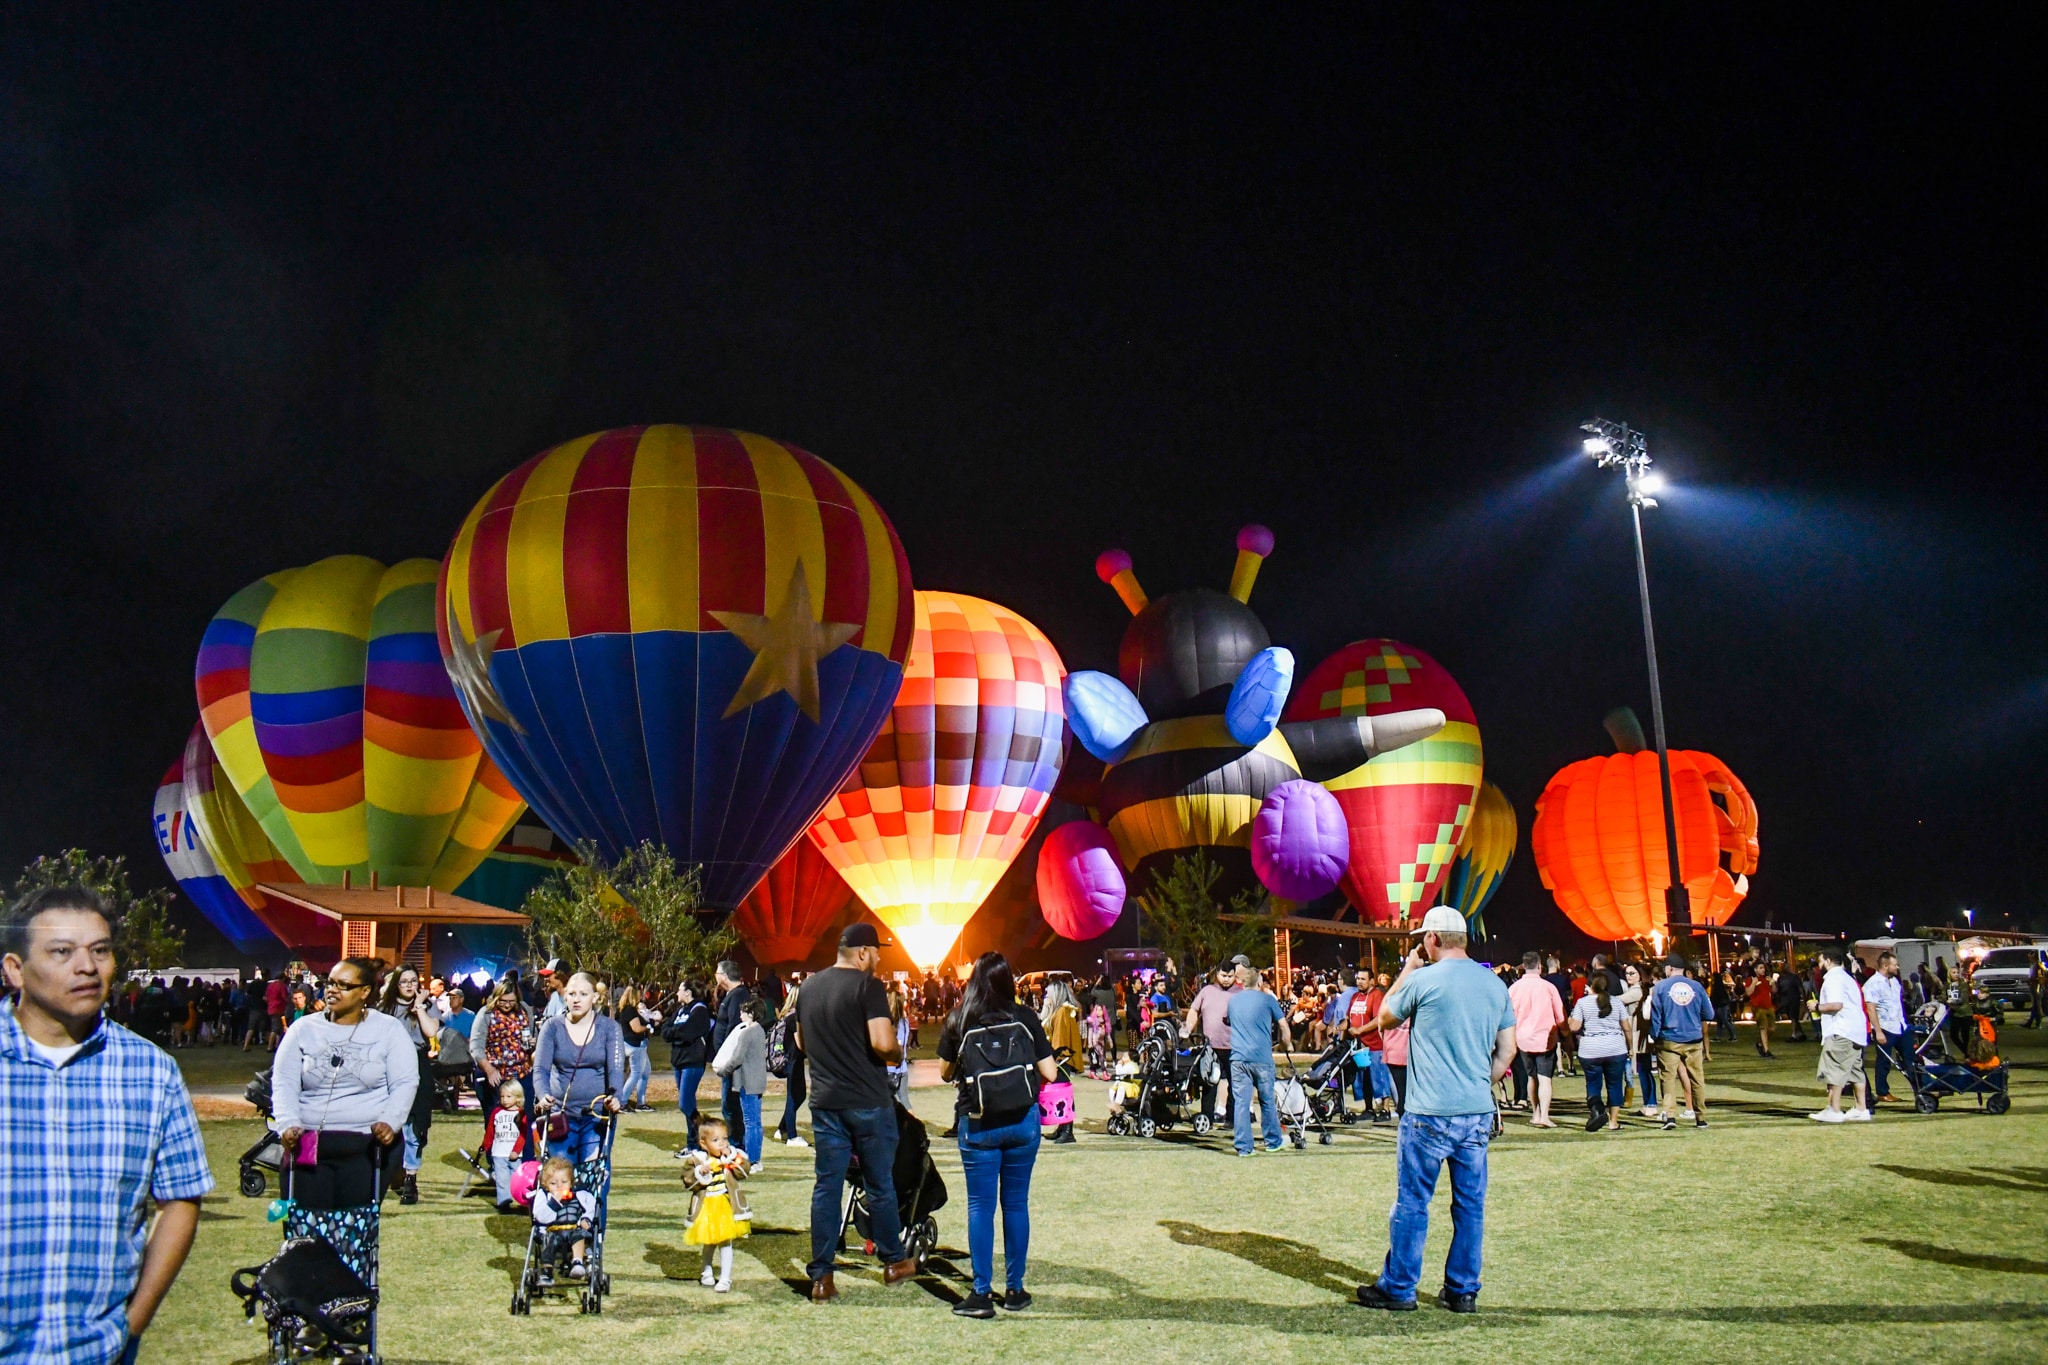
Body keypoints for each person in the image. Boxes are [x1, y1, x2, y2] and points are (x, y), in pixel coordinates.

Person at [0, 886, 211, 1364]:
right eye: (62, 952)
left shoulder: (150, 1072)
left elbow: (180, 1198)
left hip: (98, 1351)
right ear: (15, 970)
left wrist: (131, 1324)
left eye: (100, 951)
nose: (86, 967)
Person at [1356, 906, 1515, 1315]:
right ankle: (1462, 1290)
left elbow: (1383, 1018)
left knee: (1412, 1202)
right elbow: (1508, 1049)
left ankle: (1400, 1287)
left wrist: (1407, 970)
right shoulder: (1494, 984)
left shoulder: (1424, 980)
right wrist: (1481, 1084)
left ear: (1433, 940)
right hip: (1476, 1110)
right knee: (1469, 1205)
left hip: (1428, 1111)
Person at [793, 924, 918, 1301]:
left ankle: (822, 1277)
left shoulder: (808, 988)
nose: (879, 959)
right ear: (862, 952)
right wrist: (897, 1052)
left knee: (827, 1187)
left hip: (826, 1101)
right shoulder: (868, 987)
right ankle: (893, 1260)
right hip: (867, 1100)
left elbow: (800, 1041)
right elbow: (882, 1043)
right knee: (880, 1184)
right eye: (877, 952)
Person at [935, 951, 1059, 1318]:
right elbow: (1049, 1072)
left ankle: (981, 1292)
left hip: (978, 1124)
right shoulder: (1024, 1016)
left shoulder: (959, 1019)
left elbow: (944, 1072)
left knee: (980, 1207)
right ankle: (1016, 1288)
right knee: (1016, 1204)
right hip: (1022, 1122)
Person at [274, 956, 416, 1218]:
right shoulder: (302, 1029)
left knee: (354, 1229)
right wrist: (287, 1123)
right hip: (308, 1141)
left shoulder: (389, 1030)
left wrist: (390, 1121)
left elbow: (405, 1082)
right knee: (308, 1227)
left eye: (343, 985)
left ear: (365, 992)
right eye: (330, 983)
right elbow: (284, 1082)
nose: (332, 990)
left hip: (366, 1144)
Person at [533, 971, 625, 1163]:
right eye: (572, 994)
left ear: (594, 997)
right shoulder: (551, 1027)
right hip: (561, 1115)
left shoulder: (609, 1028)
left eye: (583, 994)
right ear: (565, 995)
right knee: (560, 1180)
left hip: (597, 1116)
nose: (577, 999)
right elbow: (540, 1069)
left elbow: (616, 1069)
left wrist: (616, 1098)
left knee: (593, 1177)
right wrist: (543, 1095)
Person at [377, 965, 439, 1205]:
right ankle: (387, 1171)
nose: (409, 986)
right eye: (404, 981)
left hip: (417, 1064)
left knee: (415, 1123)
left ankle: (410, 1178)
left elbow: (431, 1030)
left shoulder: (425, 1004)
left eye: (414, 981)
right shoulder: (385, 1008)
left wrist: (420, 1007)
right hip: (389, 1065)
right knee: (390, 1120)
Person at [1225, 962, 1292, 1156]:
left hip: (1238, 1057)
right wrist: (1286, 1045)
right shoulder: (1268, 1000)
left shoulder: (1233, 1001)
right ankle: (1272, 1140)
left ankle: (1244, 1147)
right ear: (1260, 982)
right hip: (1261, 1057)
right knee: (1267, 1101)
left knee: (1241, 1103)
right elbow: (1283, 1026)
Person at [682, 1117, 753, 1292]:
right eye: (715, 1140)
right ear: (703, 1143)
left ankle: (725, 1278)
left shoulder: (731, 1156)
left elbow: (744, 1171)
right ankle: (706, 1271)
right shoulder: (696, 1160)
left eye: (725, 1138)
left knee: (725, 1242)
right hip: (706, 1207)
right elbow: (687, 1180)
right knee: (709, 1242)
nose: (721, 1144)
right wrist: (700, 1172)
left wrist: (731, 1159)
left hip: (726, 1206)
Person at [1649, 954, 1713, 1130]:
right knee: (1697, 1078)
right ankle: (1701, 1117)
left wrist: (1654, 1035)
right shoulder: (1696, 986)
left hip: (1669, 1039)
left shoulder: (1661, 987)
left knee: (1667, 1078)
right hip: (1693, 1038)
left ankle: (1670, 1116)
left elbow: (1656, 1015)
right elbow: (1709, 1014)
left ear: (1669, 969)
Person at [1812, 946, 1873, 1123]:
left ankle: (1834, 1109)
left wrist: (1816, 1007)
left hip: (1841, 1029)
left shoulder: (1833, 978)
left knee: (1834, 1069)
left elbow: (1835, 1005)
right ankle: (1861, 1108)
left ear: (1828, 961)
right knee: (1855, 1070)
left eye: (1820, 961)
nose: (1819, 965)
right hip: (1856, 1030)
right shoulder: (1847, 978)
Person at [1507, 952, 1566, 1129]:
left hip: (1523, 1038)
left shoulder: (1514, 989)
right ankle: (1545, 1116)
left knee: (1532, 1077)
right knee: (1545, 1078)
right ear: (1540, 966)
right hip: (1545, 1038)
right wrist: (1566, 1033)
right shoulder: (1548, 987)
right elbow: (1560, 1014)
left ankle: (1536, 1113)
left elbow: (1508, 1015)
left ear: (1524, 966)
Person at [713, 996, 771, 1169]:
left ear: (752, 1013)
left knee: (750, 1122)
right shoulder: (759, 1030)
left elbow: (736, 1058)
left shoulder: (747, 1033)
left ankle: (753, 1160)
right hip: (757, 1081)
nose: (740, 1014)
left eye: (744, 1011)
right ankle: (755, 1158)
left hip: (747, 1082)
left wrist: (723, 1070)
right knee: (755, 1122)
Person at [1570, 971, 1629, 1130]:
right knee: (1615, 1084)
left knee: (1593, 1083)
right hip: (1615, 1048)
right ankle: (1613, 1121)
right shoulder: (1616, 1002)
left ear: (1590, 986)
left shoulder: (1583, 1003)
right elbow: (1626, 1028)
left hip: (1590, 1049)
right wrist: (1630, 1047)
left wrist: (1570, 1019)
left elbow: (1574, 1027)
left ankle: (1597, 1110)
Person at [1183, 964, 1240, 1129]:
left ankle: (1232, 1118)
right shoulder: (1207, 991)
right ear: (1217, 974)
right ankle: (1206, 1118)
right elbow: (1194, 1010)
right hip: (1210, 1046)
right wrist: (1188, 1029)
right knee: (1209, 1082)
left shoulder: (1240, 993)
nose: (1227, 979)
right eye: (1224, 975)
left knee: (1235, 1083)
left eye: (1230, 976)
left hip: (1233, 1046)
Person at [665, 979, 715, 1151]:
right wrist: (675, 1032)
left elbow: (688, 1033)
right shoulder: (680, 1010)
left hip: (692, 1062)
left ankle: (701, 1136)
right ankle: (694, 1143)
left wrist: (676, 1032)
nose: (676, 992)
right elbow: (665, 1031)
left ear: (688, 992)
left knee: (685, 1104)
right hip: (679, 1061)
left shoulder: (700, 1010)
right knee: (689, 1104)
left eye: (679, 989)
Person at [530, 1156, 598, 1281]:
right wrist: (554, 1201)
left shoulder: (581, 1196)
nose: (559, 1186)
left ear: (571, 1182)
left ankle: (577, 1262)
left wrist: (586, 1219)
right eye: (553, 1183)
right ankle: (546, 1271)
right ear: (545, 1185)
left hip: (573, 1230)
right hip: (553, 1231)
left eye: (564, 1182)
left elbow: (591, 1206)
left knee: (580, 1235)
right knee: (548, 1240)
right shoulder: (544, 1197)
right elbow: (541, 1217)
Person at [712, 960, 752, 1156]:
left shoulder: (738, 997)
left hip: (732, 1063)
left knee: (731, 1106)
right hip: (727, 1060)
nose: (715, 976)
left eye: (717, 973)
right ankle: (736, 1141)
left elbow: (734, 1030)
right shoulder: (731, 996)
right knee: (729, 1105)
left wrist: (726, 1057)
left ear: (725, 976)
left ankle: (737, 1144)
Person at [1039, 978, 1083, 1144]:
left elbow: (1060, 1040)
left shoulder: (1063, 1012)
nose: (1046, 997)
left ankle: (1068, 1130)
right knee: (1060, 1094)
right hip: (1060, 1059)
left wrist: (1054, 1058)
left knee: (1064, 1095)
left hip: (1062, 1060)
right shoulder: (1059, 1012)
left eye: (1048, 995)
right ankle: (1062, 1128)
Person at [1864, 950, 1908, 1103]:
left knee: (1910, 1059)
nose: (1897, 967)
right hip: (1885, 1028)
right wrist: (1878, 1031)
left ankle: (1922, 1088)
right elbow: (1871, 1009)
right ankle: (1882, 1091)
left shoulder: (1894, 981)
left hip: (1900, 1026)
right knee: (1884, 1061)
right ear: (1885, 965)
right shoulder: (1872, 984)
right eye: (1894, 965)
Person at [773, 975, 811, 1149]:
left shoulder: (785, 1015)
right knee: (794, 1096)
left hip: (791, 1060)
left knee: (799, 1095)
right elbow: (800, 1043)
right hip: (793, 1060)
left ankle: (782, 1128)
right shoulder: (794, 1018)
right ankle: (791, 1136)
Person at [486, 1079, 533, 1213]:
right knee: (501, 1178)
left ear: (518, 1097)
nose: (504, 1100)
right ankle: (504, 1202)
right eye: (502, 1097)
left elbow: (522, 1135)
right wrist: (486, 1145)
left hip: (514, 1154)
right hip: (499, 1152)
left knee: (517, 1178)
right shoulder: (496, 1113)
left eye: (508, 1096)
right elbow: (490, 1131)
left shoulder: (521, 1114)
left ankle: (520, 1200)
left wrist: (516, 1151)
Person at [618, 985, 656, 1112]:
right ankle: (622, 1102)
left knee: (645, 1072)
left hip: (630, 1044)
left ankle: (641, 1102)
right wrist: (648, 1027)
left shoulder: (624, 1010)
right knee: (636, 1074)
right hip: (634, 1044)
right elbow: (636, 1028)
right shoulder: (630, 1011)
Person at [1748, 970, 1778, 1057]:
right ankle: (1766, 1050)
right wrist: (1754, 983)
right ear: (1755, 969)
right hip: (1758, 1007)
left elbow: (1774, 991)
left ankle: (1760, 1044)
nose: (1763, 970)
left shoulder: (1767, 979)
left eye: (1763, 968)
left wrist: (1772, 983)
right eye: (1760, 968)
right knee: (1763, 1028)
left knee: (1772, 1029)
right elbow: (1748, 992)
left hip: (1769, 1006)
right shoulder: (1751, 979)